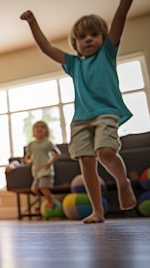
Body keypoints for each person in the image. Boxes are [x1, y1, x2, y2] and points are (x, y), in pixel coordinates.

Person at [21, 0, 137, 223]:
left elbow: (119, 20)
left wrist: (124, 4)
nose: (89, 39)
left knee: (105, 152)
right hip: (81, 120)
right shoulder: (74, 64)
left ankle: (123, 182)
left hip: (106, 113)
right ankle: (98, 211)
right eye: (82, 37)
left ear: (103, 38)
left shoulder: (107, 53)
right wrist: (32, 22)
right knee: (86, 162)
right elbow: (47, 48)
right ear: (75, 44)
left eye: (94, 34)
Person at [25, 121, 61, 209]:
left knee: (43, 187)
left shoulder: (48, 143)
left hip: (46, 171)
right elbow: (27, 157)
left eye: (42, 127)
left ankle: (51, 203)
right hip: (36, 172)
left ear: (46, 130)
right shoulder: (31, 145)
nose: (39, 128)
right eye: (36, 127)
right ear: (33, 131)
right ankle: (45, 200)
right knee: (34, 189)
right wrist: (28, 161)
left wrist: (50, 163)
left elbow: (57, 153)